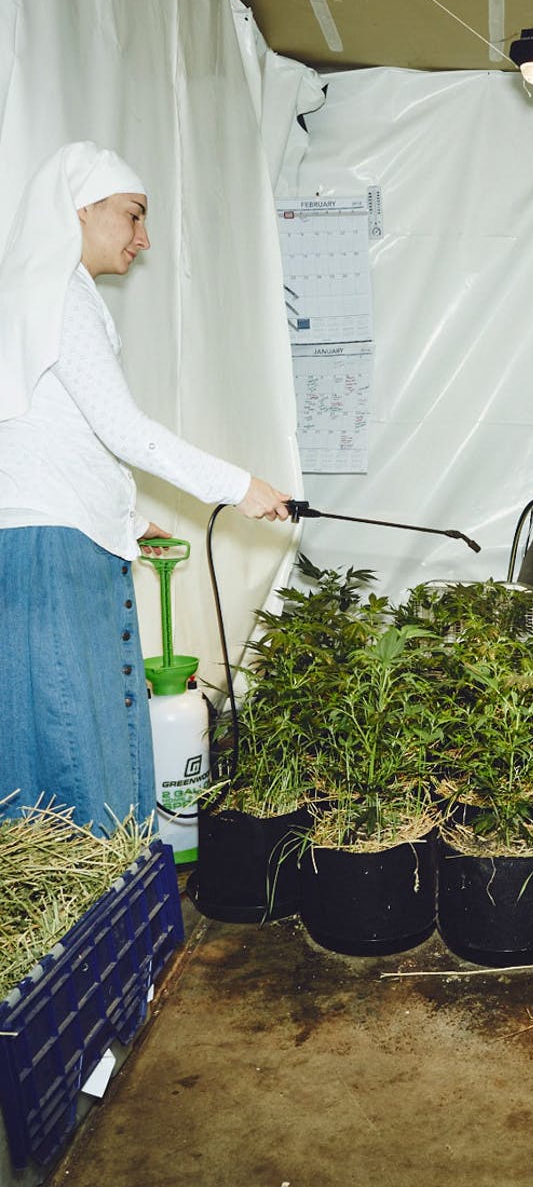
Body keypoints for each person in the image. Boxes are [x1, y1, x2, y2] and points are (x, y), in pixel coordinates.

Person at [0, 141, 292, 832]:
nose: (144, 237)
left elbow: (53, 437)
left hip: (47, 538)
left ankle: (70, 913)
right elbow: (123, 429)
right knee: (77, 734)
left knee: (45, 732)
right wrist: (238, 485)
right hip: (54, 552)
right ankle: (92, 909)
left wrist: (130, 526)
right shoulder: (58, 292)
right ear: (81, 209)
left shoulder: (42, 291)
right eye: (132, 215)